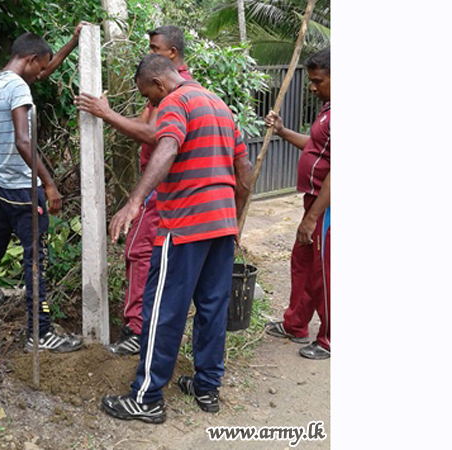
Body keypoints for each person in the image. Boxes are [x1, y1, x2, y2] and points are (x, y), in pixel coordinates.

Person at [101, 54, 252, 423]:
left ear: (158, 84)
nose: (152, 105)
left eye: (149, 98)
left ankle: (146, 398)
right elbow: (244, 173)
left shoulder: (176, 101)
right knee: (213, 307)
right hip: (222, 225)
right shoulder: (219, 105)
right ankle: (206, 387)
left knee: (162, 311)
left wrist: (134, 201)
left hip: (184, 225)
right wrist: (233, 220)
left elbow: (166, 146)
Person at [74, 25, 193, 356]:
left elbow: (154, 136)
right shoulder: (166, 88)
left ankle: (138, 329)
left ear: (171, 54)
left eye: (155, 48)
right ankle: (144, 325)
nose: (150, 53)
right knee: (145, 253)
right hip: (157, 183)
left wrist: (106, 113)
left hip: (162, 186)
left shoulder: (173, 91)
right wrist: (108, 114)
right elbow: (144, 127)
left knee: (139, 251)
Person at [0, 26, 88, 353]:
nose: (43, 73)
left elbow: (43, 69)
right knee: (35, 261)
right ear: (29, 60)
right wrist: (50, 184)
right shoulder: (19, 91)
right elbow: (23, 142)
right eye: (40, 66)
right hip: (24, 189)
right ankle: (39, 332)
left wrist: (72, 41)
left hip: (0, 183)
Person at [264, 47, 330, 360]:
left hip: (326, 206)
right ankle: (296, 324)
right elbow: (315, 146)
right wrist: (281, 131)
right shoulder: (329, 108)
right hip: (312, 201)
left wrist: (314, 217)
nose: (312, 87)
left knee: (324, 273)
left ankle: (329, 338)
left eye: (318, 80)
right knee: (302, 263)